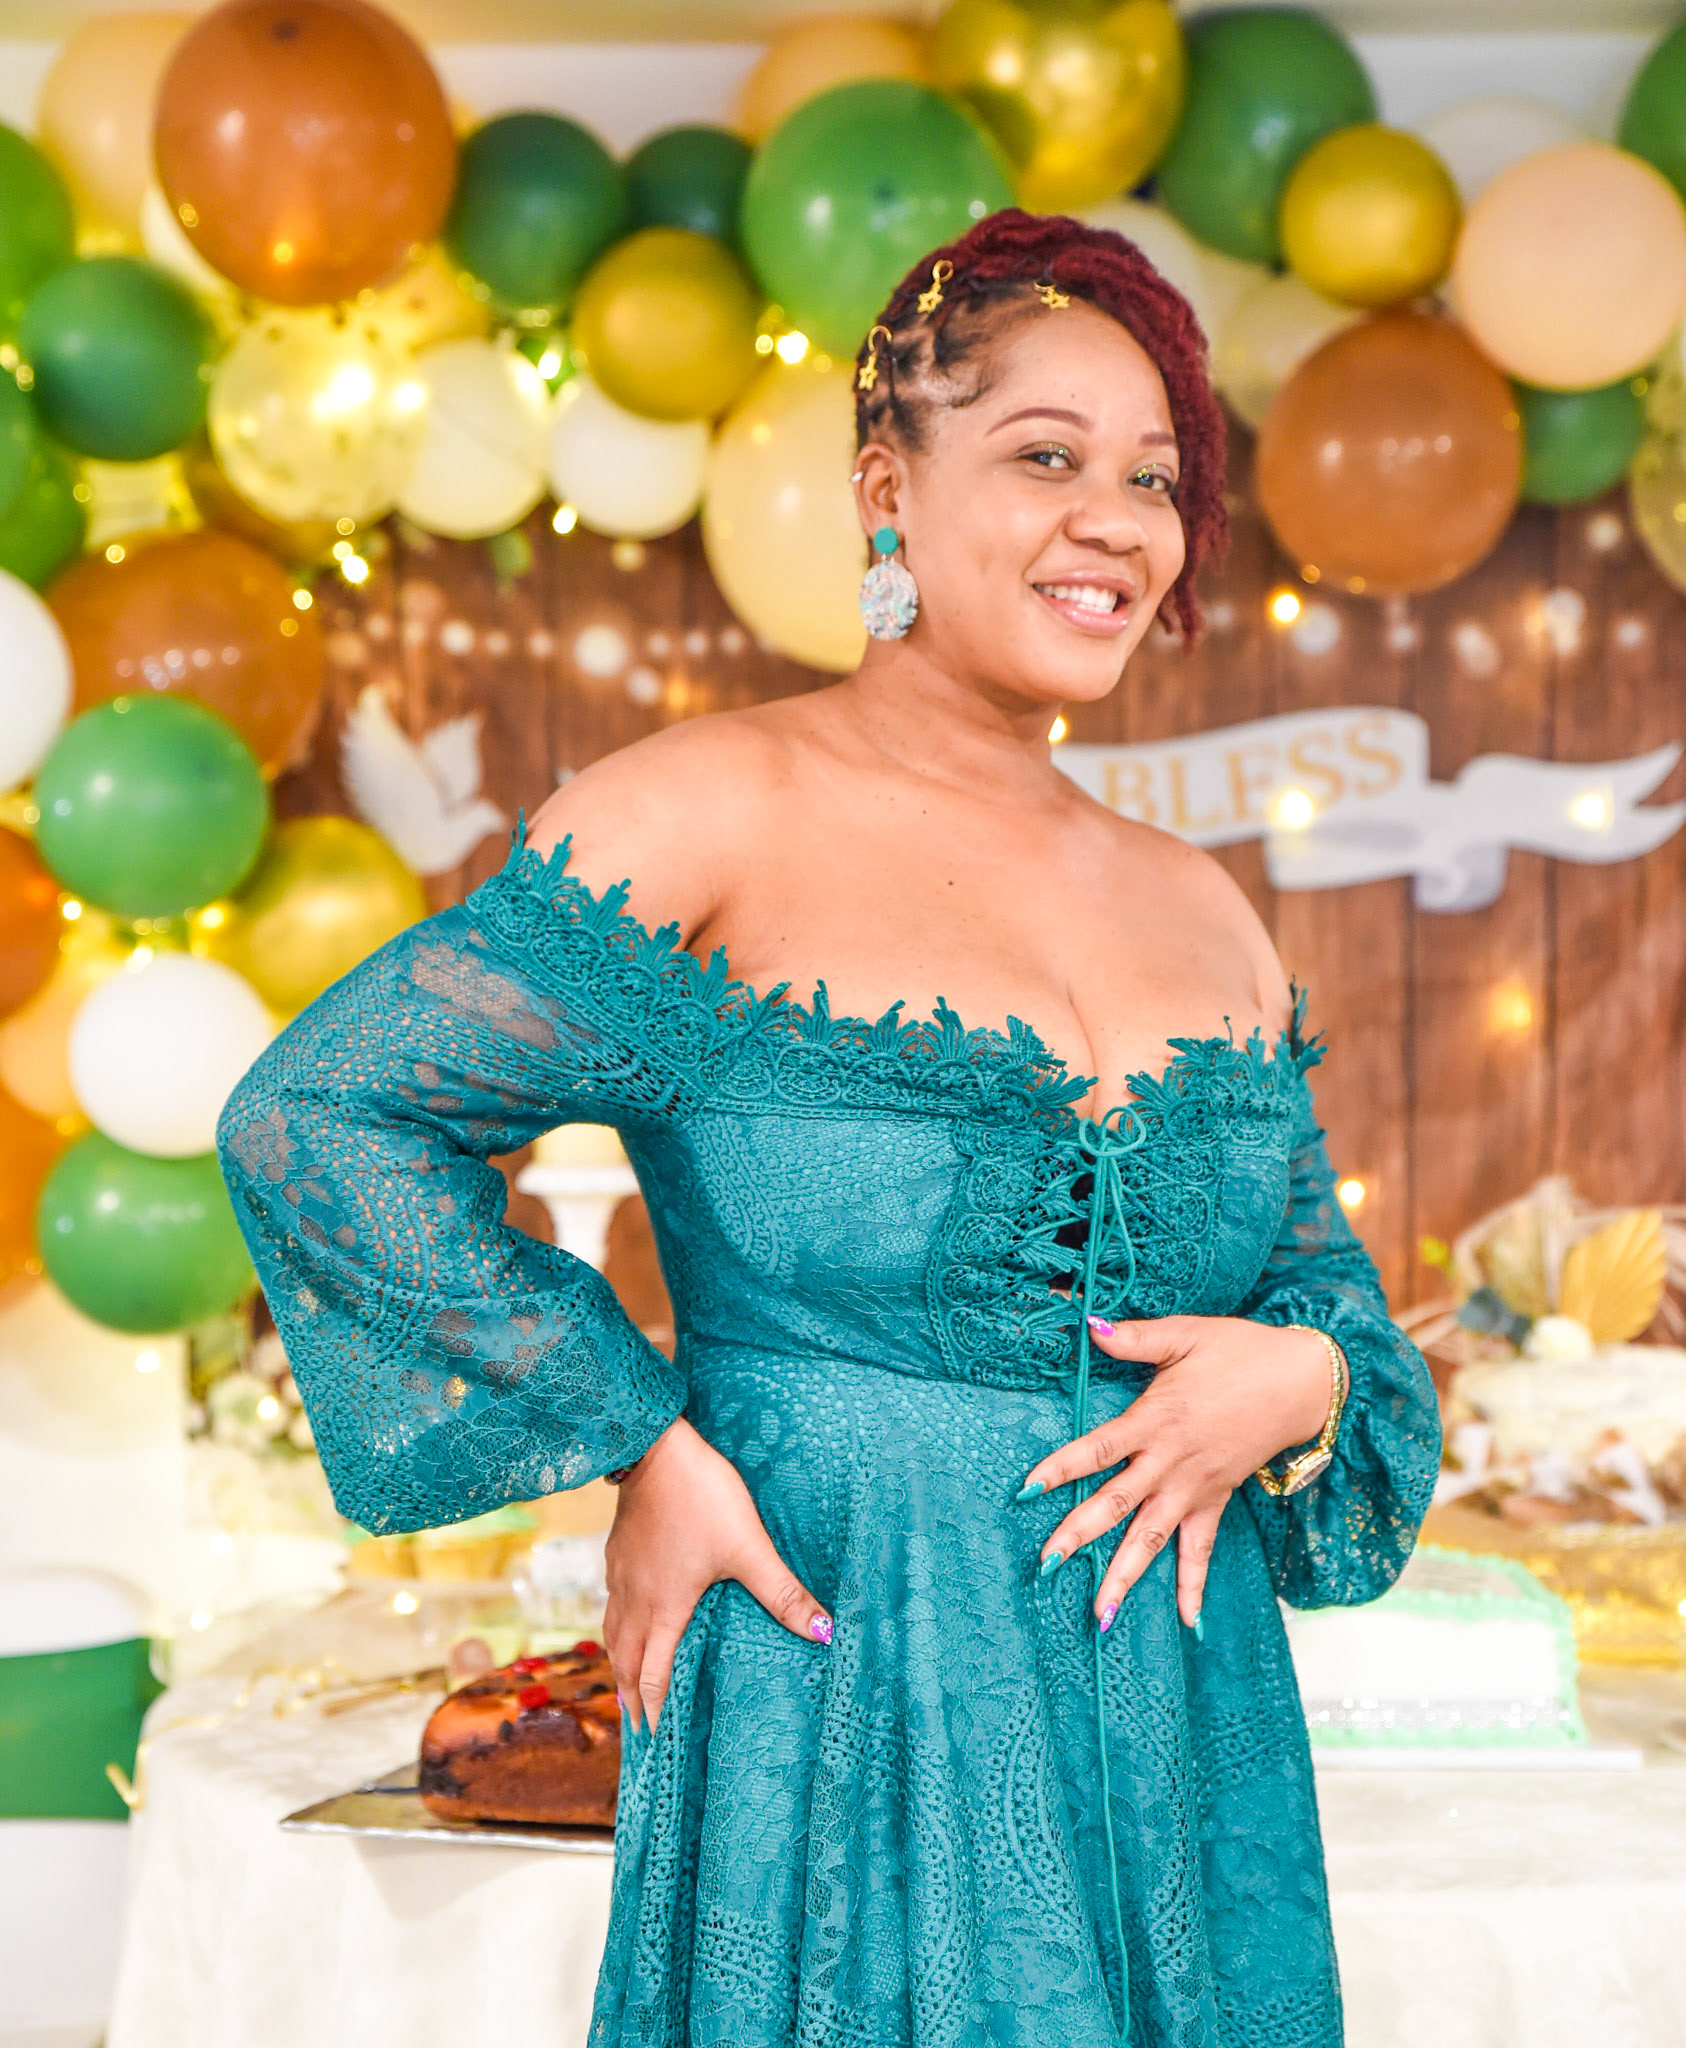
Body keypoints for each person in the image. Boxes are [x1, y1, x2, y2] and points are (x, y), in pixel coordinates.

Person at [217, 208, 1440, 2047]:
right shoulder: (705, 813)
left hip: (1180, 1727)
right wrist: (640, 1439)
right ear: (887, 495)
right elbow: (322, 1117)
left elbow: (1324, 1297)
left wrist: (1307, 1378)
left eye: (1152, 478)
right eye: (1044, 458)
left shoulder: (1206, 907)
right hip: (846, 1680)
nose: (1116, 520)